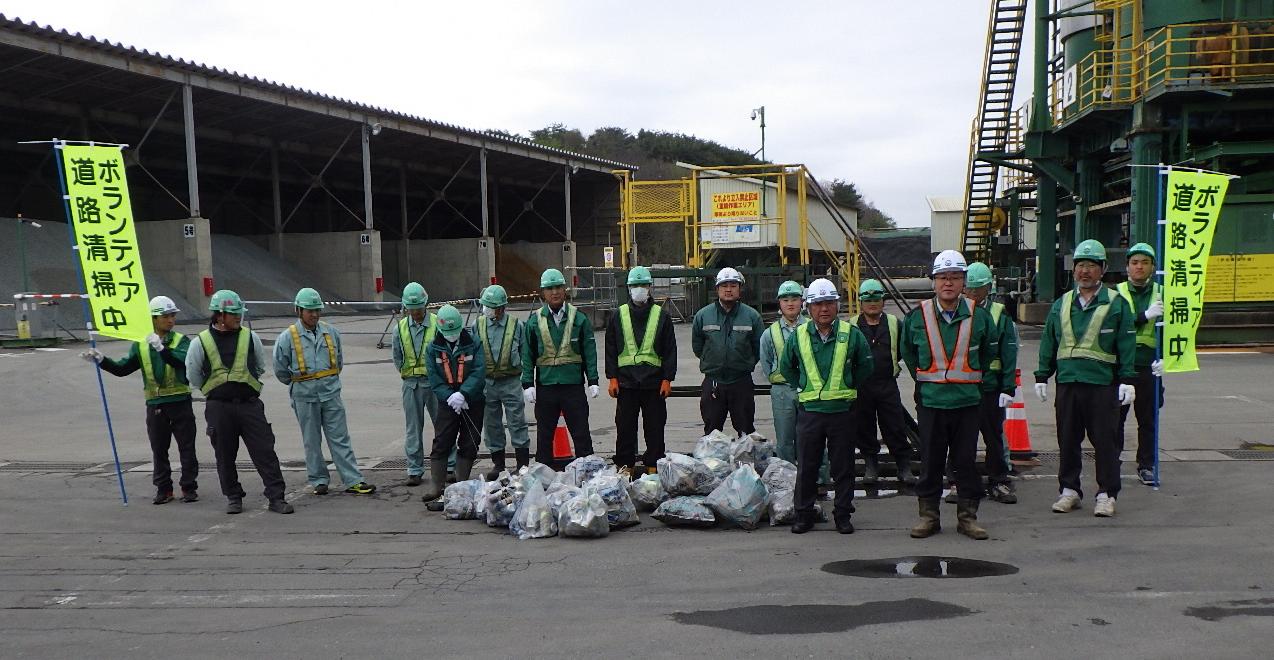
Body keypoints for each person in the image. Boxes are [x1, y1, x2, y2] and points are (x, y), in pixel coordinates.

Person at [900, 250, 1000, 540]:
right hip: (931, 403)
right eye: (943, 277)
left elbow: (990, 352)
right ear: (934, 282)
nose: (948, 283)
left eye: (955, 277)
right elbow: (908, 352)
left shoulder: (979, 317)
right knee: (930, 461)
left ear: (963, 282)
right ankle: (928, 517)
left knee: (965, 461)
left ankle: (968, 517)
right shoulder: (917, 317)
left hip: (968, 403)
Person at [1035, 239, 1137, 518]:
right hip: (1068, 383)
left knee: (1106, 441)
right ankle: (1069, 491)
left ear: (1102, 269)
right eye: (1081, 265)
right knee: (1067, 440)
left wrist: (1128, 379)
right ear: (1074, 270)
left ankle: (1106, 494)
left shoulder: (1117, 304)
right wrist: (1043, 375)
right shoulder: (1062, 303)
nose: (1085, 271)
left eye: (1091, 266)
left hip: (1102, 385)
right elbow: (1049, 341)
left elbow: (1127, 343)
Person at [82, 295, 199, 505]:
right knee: (159, 449)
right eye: (165, 316)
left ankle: (189, 488)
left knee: (186, 447)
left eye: (172, 315)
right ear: (153, 319)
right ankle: (164, 489)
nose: (171, 320)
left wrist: (162, 349)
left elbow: (180, 360)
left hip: (180, 401)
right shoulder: (141, 345)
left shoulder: (182, 341)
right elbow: (122, 369)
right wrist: (101, 361)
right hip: (155, 405)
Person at [778, 278, 873, 534]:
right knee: (807, 467)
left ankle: (843, 515)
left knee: (843, 468)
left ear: (837, 305)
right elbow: (786, 366)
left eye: (829, 303)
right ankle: (803, 515)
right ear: (809, 307)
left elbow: (865, 366)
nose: (824, 309)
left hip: (842, 411)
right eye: (818, 304)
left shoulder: (851, 334)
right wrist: (803, 386)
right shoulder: (799, 335)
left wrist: (849, 384)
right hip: (810, 412)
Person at [185, 290, 292, 515]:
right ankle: (233, 496)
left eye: (238, 314)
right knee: (224, 455)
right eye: (233, 314)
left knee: (265, 451)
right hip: (219, 407)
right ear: (219, 315)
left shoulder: (249, 337)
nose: (238, 318)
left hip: (249, 405)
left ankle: (276, 496)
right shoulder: (200, 342)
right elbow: (193, 374)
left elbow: (260, 366)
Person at [271, 288, 375, 496]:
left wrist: (326, 381)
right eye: (310, 311)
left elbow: (339, 362)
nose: (315, 314)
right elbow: (280, 369)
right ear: (299, 311)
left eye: (317, 310)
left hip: (330, 394)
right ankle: (319, 480)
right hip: (304, 396)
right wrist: (301, 384)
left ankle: (353, 480)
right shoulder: (287, 337)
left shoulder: (331, 332)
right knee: (311, 441)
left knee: (340, 438)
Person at [522, 268, 600, 467]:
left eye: (558, 287)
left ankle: (587, 474)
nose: (554, 292)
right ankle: (544, 478)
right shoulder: (534, 321)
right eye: (549, 288)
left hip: (572, 386)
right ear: (543, 292)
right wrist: (527, 383)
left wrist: (593, 380)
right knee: (544, 438)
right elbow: (528, 354)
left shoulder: (579, 319)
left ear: (565, 289)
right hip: (546, 386)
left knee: (581, 434)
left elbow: (589, 351)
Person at [605, 266, 677, 475]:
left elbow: (670, 349)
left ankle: (653, 466)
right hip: (626, 384)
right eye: (635, 285)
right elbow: (611, 348)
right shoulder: (618, 315)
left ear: (649, 287)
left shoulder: (661, 316)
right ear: (628, 288)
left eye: (643, 285)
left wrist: (667, 379)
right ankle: (625, 467)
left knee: (654, 429)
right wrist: (612, 378)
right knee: (625, 428)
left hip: (654, 384)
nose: (639, 289)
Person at [958, 262, 1018, 504]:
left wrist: (1008, 387)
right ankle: (962, 482)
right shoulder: (957, 310)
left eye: (976, 290)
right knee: (963, 438)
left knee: (993, 436)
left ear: (987, 289)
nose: (971, 294)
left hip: (990, 386)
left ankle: (998, 480)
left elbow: (1008, 351)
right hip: (963, 386)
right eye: (968, 290)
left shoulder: (998, 313)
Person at [849, 279, 915, 486]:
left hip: (887, 383)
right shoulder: (851, 326)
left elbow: (905, 350)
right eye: (867, 299)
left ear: (883, 301)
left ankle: (904, 467)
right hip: (861, 386)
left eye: (876, 298)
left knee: (894, 426)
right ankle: (871, 465)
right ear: (860, 302)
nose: (872, 303)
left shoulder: (895, 324)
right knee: (863, 427)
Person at [419, 305, 486, 503]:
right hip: (447, 401)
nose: (452, 336)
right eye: (447, 333)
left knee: (470, 441)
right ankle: (436, 485)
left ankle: (462, 483)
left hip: (472, 400)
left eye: (454, 332)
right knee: (442, 441)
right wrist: (451, 397)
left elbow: (479, 371)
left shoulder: (473, 342)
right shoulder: (433, 348)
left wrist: (464, 394)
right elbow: (434, 378)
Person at [691, 267, 765, 436]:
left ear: (740, 289)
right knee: (712, 432)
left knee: (746, 431)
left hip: (741, 382)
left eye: (733, 285)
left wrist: (745, 363)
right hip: (713, 383)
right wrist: (713, 362)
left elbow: (758, 347)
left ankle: (746, 462)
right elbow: (698, 346)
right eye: (724, 285)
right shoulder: (703, 316)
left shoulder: (752, 316)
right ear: (717, 289)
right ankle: (712, 462)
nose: (728, 289)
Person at [1116, 242, 1166, 486]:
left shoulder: (1162, 292)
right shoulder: (1116, 293)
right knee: (1115, 419)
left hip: (1149, 366)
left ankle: (1147, 465)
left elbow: (1174, 329)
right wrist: (1144, 315)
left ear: (1153, 267)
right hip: (1122, 367)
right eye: (1135, 262)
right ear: (1127, 267)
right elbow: (1118, 324)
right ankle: (1111, 462)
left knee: (1148, 420)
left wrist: (1167, 358)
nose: (1139, 267)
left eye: (1145, 262)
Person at [472, 284, 530, 480]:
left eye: (490, 306)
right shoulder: (477, 324)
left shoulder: (516, 325)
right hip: (487, 382)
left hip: (511, 380)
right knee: (492, 424)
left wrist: (527, 381)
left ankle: (522, 464)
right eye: (485, 305)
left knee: (517, 422)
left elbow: (525, 353)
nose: (486, 309)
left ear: (501, 308)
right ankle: (498, 464)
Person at [391, 282, 441, 486]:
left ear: (425, 304)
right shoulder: (400, 328)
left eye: (418, 308)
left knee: (443, 427)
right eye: (411, 309)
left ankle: (448, 465)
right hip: (411, 384)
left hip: (435, 384)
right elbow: (396, 355)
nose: (415, 312)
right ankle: (415, 469)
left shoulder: (438, 324)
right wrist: (406, 371)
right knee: (413, 429)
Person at [759, 280, 808, 465]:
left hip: (809, 390)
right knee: (785, 440)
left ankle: (819, 479)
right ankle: (787, 478)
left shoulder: (812, 327)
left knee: (813, 438)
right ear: (779, 303)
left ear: (801, 301)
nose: (790, 303)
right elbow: (766, 362)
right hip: (781, 392)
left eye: (794, 298)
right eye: (785, 299)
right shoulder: (769, 333)